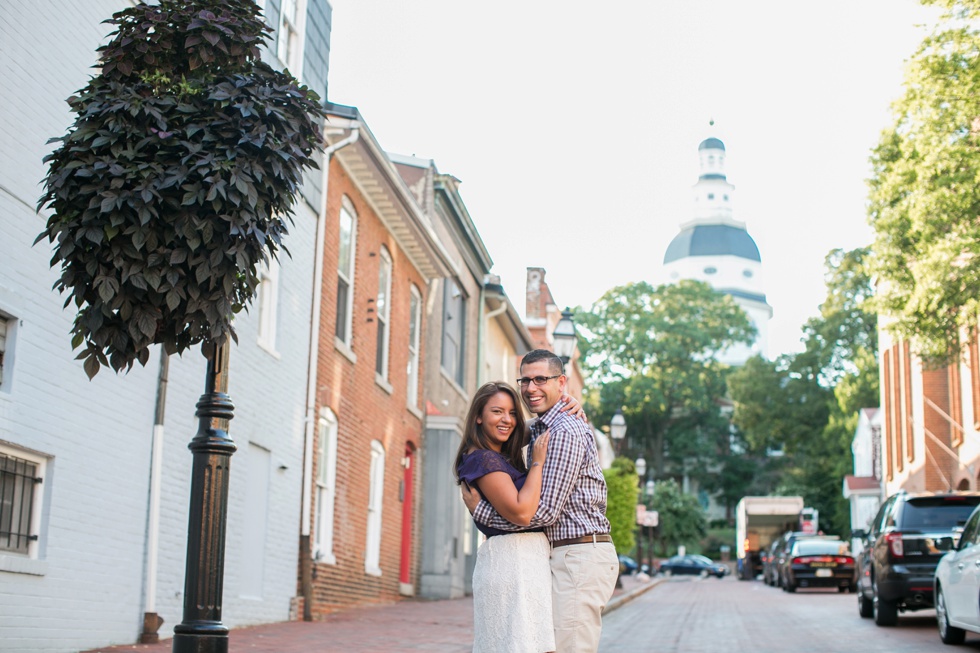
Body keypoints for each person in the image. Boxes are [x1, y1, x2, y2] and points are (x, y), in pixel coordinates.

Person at [463, 349, 618, 653]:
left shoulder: (563, 431)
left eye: (540, 379)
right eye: (525, 380)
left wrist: (482, 512)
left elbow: (543, 512)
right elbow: (509, 430)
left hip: (577, 554)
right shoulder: (545, 427)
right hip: (563, 555)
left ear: (562, 382)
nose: (530, 388)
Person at [455, 382, 555, 653]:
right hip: (512, 564)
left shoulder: (499, 455)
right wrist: (537, 462)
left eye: (512, 413)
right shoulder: (483, 459)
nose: (507, 420)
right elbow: (522, 512)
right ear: (479, 416)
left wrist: (565, 405)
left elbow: (527, 425)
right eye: (497, 411)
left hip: (526, 562)